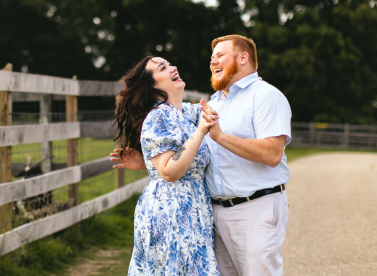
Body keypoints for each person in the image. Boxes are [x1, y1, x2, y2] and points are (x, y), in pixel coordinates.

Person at [111, 35, 292, 276]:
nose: (212, 61)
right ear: (152, 85)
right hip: (198, 215)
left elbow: (272, 154)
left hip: (250, 209)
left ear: (243, 58)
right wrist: (150, 163)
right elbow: (179, 160)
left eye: (220, 55)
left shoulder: (260, 96)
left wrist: (222, 133)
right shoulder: (199, 108)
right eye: (211, 57)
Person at [113, 54, 220, 276]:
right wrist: (200, 131)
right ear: (151, 86)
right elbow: (169, 171)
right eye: (163, 68)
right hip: (170, 214)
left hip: (193, 211)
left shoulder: (183, 113)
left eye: (169, 63)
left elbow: (179, 157)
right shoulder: (159, 116)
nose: (173, 67)